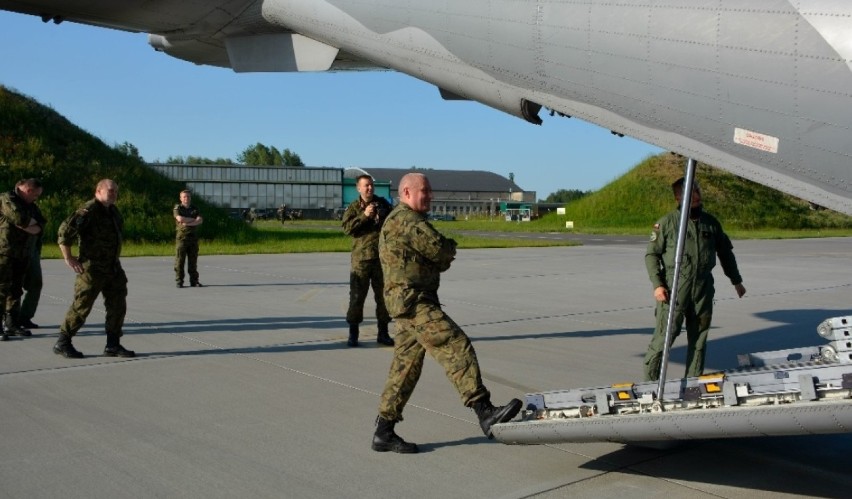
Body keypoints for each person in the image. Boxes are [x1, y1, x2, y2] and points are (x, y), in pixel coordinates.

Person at [371, 172, 522, 454]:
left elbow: (437, 256)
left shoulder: (401, 219)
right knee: (454, 344)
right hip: (414, 303)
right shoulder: (407, 220)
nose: (429, 196)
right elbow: (441, 251)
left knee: (405, 369)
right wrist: (447, 249)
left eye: (429, 191)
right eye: (424, 191)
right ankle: (484, 411)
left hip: (405, 302)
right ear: (406, 193)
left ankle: (384, 431)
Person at [643, 177, 746, 381]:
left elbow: (725, 253)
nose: (696, 199)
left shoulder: (711, 223)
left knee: (699, 338)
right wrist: (658, 285)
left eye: (698, 195)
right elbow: (651, 255)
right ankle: (650, 382)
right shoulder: (667, 224)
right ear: (679, 198)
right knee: (665, 336)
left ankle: (692, 382)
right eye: (691, 196)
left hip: (702, 289)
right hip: (674, 289)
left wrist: (736, 281)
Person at [53, 179, 135, 359]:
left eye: (115, 191)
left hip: (112, 267)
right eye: (110, 190)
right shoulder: (89, 210)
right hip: (92, 269)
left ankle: (113, 344)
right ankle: (63, 342)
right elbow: (64, 232)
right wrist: (68, 257)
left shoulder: (113, 211)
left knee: (117, 305)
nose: (114, 194)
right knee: (82, 305)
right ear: (98, 191)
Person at [341, 174, 394, 347]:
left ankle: (383, 333)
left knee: (384, 298)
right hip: (361, 261)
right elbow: (348, 229)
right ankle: (353, 333)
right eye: (366, 186)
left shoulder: (383, 204)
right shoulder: (354, 207)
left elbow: (395, 223)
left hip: (381, 260)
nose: (369, 188)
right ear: (358, 188)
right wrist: (364, 216)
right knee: (357, 297)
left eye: (371, 185)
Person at [0, 178, 44, 341]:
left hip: (22, 253)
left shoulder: (29, 205)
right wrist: (28, 223)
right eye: (35, 195)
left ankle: (12, 324)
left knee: (15, 290)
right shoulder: (7, 198)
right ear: (28, 190)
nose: (36, 199)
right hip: (4, 252)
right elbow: (19, 219)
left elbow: (41, 224)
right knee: (1, 289)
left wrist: (29, 225)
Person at [174, 189, 204, 288]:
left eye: (188, 197)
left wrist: (188, 222)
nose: (186, 198)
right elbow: (180, 219)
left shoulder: (194, 208)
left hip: (193, 238)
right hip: (182, 238)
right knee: (180, 261)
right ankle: (179, 281)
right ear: (181, 198)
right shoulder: (178, 208)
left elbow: (200, 220)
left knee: (193, 261)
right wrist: (193, 220)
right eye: (184, 197)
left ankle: (194, 281)